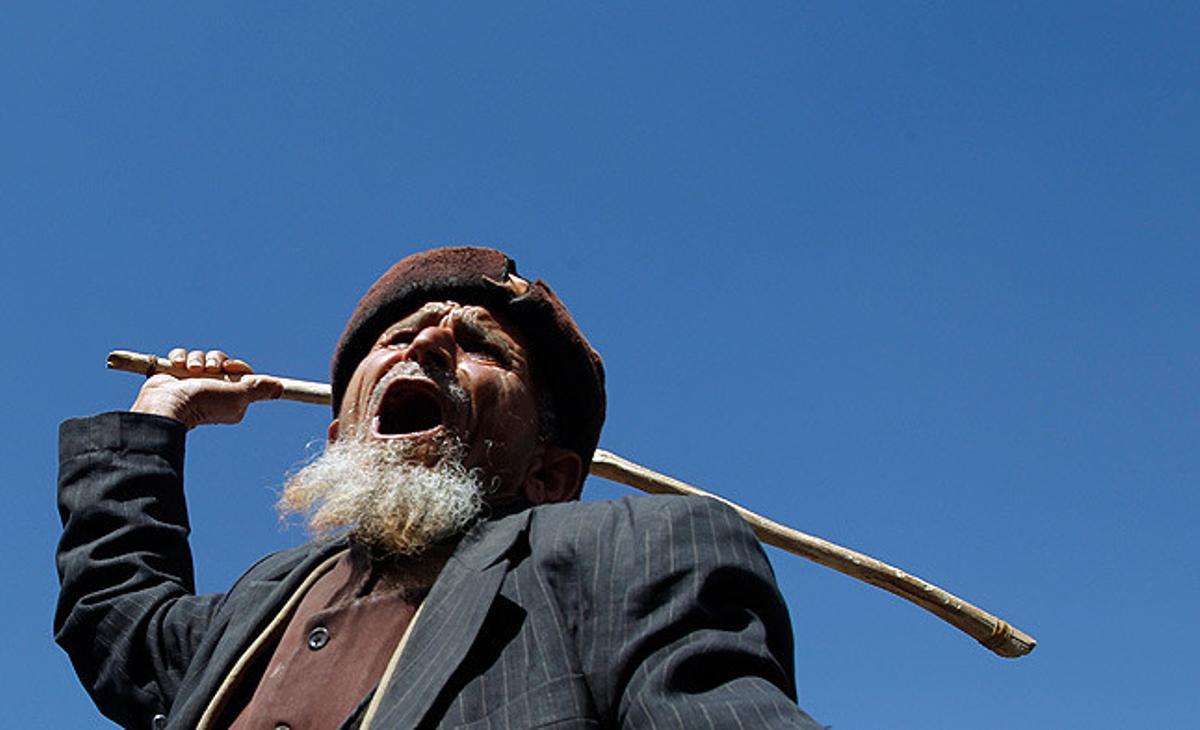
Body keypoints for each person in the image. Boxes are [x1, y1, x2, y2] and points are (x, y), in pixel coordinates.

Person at [56, 246, 822, 729]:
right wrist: (159, 415)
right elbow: (116, 615)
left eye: (481, 346)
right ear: (339, 437)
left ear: (549, 475)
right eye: (396, 339)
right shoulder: (264, 604)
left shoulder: (629, 550)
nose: (425, 341)